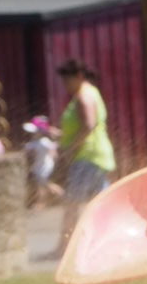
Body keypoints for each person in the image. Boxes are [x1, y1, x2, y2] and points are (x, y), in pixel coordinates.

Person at [54, 57, 116, 253]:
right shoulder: (90, 92)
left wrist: (71, 149)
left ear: (79, 77)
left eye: (67, 80)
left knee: (72, 203)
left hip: (86, 156)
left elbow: (89, 124)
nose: (65, 85)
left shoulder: (84, 95)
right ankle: (105, 242)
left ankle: (66, 248)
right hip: (97, 156)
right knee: (101, 203)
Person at [21, 116, 62, 207]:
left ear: (40, 132)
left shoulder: (43, 142)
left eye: (34, 132)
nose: (32, 134)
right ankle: (43, 202)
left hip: (44, 167)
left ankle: (58, 196)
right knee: (42, 185)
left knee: (44, 184)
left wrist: (54, 154)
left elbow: (53, 148)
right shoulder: (36, 142)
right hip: (39, 166)